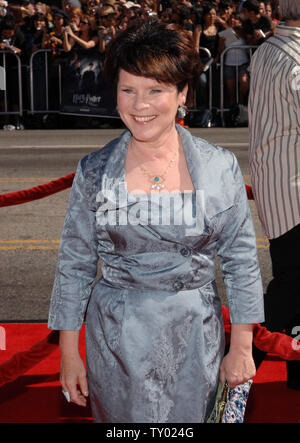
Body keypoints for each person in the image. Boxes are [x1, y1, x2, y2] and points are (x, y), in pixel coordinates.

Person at [48, 19, 264, 423]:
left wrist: (243, 346)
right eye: (127, 90)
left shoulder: (220, 167)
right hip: (116, 338)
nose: (139, 105)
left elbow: (241, 260)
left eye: (155, 91)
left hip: (195, 336)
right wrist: (68, 353)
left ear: (182, 93)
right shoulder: (94, 170)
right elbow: (74, 264)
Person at [248, 0, 300, 390]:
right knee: (288, 289)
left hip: (279, 189)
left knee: (292, 284)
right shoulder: (295, 62)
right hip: (295, 194)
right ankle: (236, 364)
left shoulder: (269, 49)